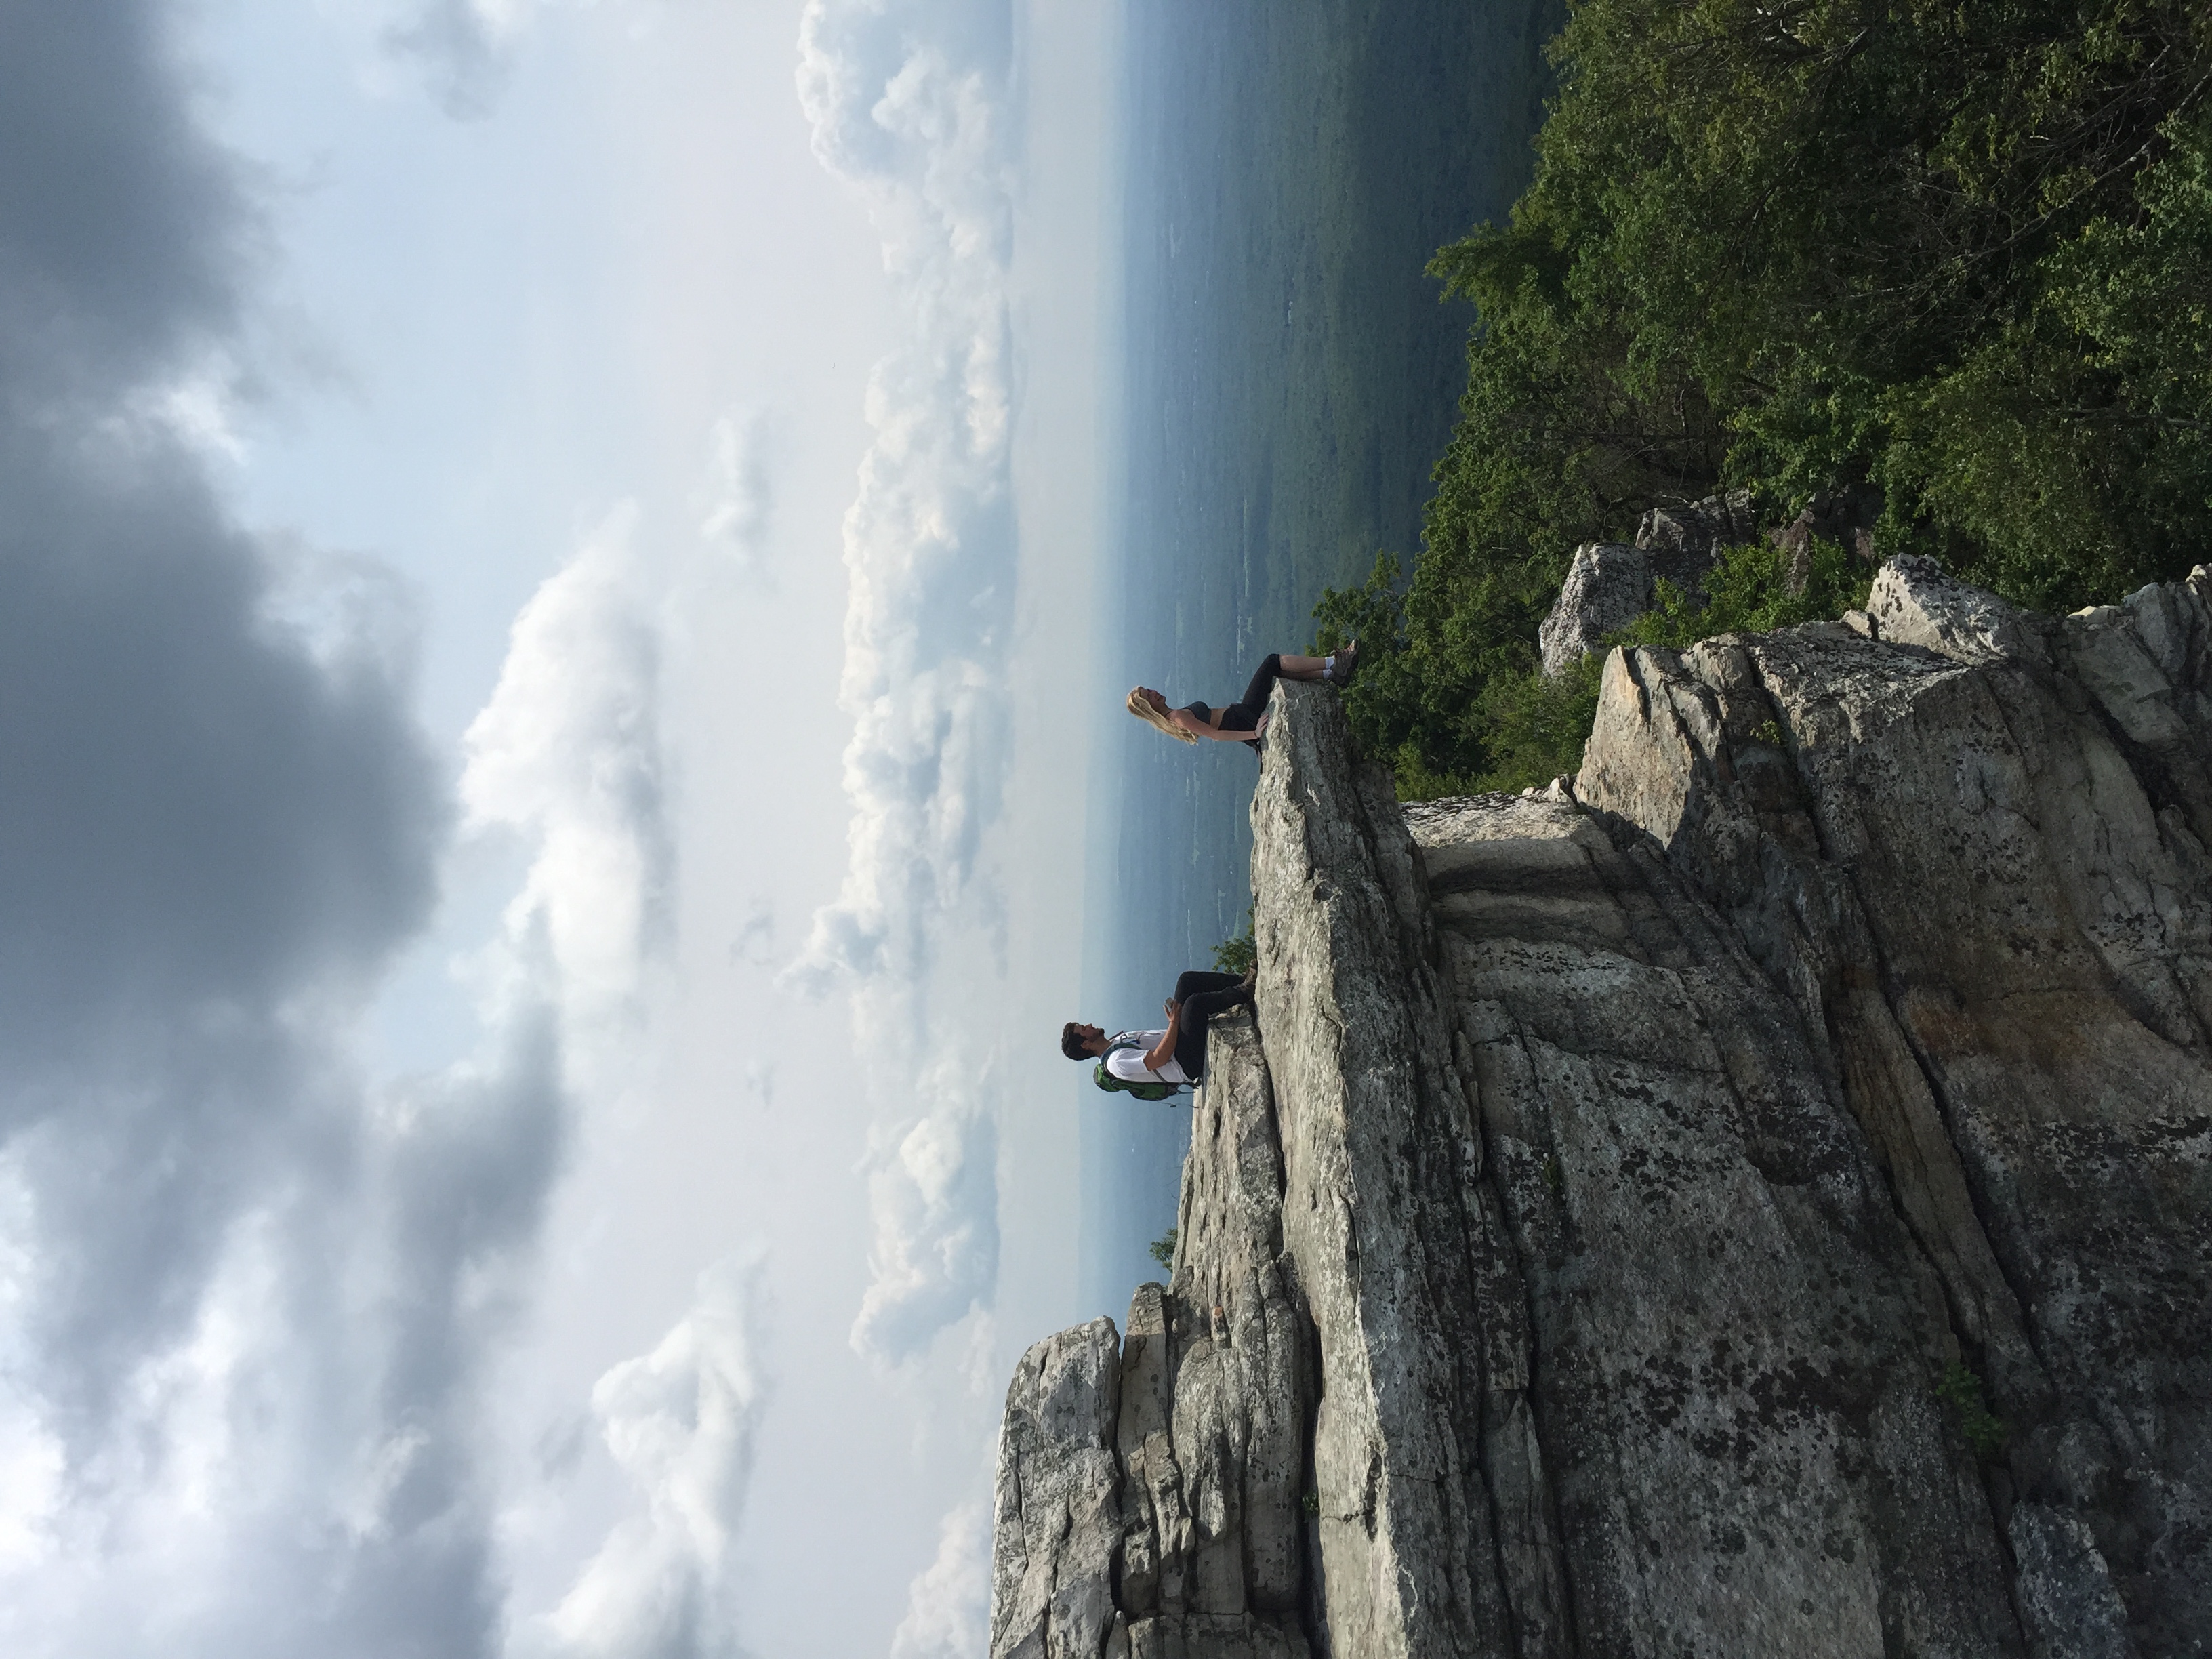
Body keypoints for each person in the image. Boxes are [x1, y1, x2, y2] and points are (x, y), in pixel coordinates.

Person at [1126, 642, 1357, 750]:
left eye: (1150, 690)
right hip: (1245, 718)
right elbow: (1215, 735)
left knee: (1277, 672)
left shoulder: (1174, 717)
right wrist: (1254, 734)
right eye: (1150, 695)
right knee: (1272, 662)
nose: (1155, 692)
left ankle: (1331, 674)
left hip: (1241, 714)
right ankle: (1335, 662)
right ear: (1150, 708)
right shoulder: (1177, 717)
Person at [1061, 970, 1254, 1088]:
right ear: (1086, 1044)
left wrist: (1177, 1023)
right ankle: (1245, 991)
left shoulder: (1116, 1042)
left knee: (1186, 981)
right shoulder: (1116, 1062)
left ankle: (1241, 980)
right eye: (1083, 1029)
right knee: (1194, 1004)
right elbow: (1158, 1059)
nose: (1088, 1025)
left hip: (1179, 1045)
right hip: (1184, 1065)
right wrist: (1175, 1023)